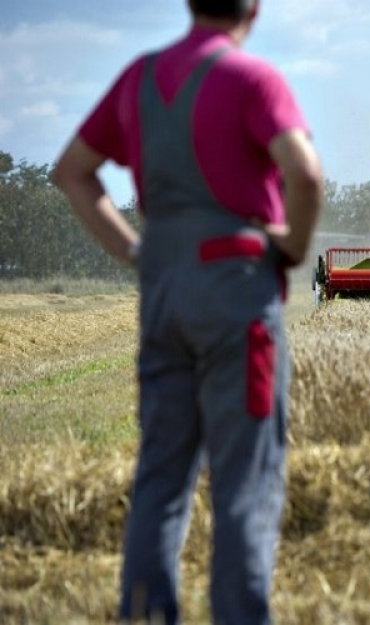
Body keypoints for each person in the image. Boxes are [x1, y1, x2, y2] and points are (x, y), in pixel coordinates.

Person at [51, 1, 323, 622]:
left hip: (163, 293)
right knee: (244, 483)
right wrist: (294, 246)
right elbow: (305, 175)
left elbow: (71, 172)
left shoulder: (139, 77)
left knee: (162, 478)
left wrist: (135, 251)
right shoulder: (253, 78)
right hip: (236, 294)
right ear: (253, 8)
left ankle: (145, 613)